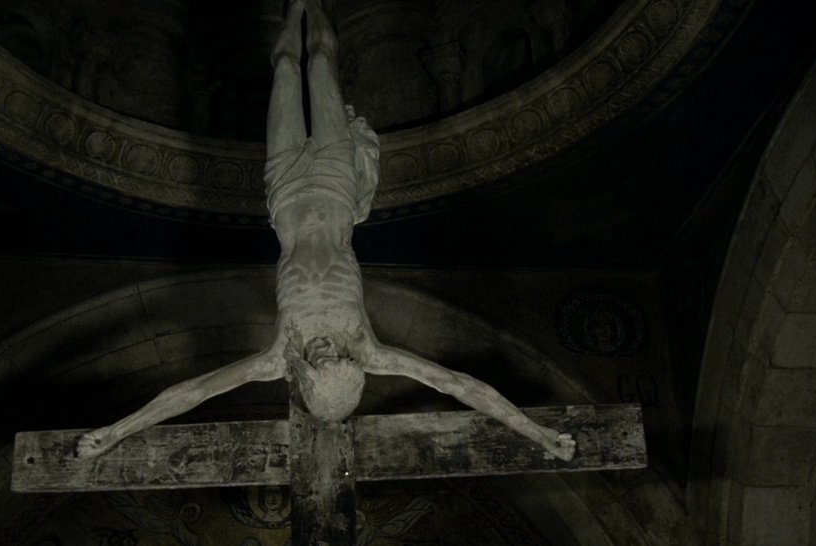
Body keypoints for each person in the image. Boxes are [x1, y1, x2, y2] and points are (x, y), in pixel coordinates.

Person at [77, 0, 575, 462]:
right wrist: (538, 434)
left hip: (286, 190)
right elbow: (458, 384)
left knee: (286, 67)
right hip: (336, 185)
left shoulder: (277, 356)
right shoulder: (370, 348)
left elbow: (194, 391)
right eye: (336, 358)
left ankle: (295, 4)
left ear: (303, 376)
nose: (326, 350)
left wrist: (117, 431)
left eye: (319, 362)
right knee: (320, 62)